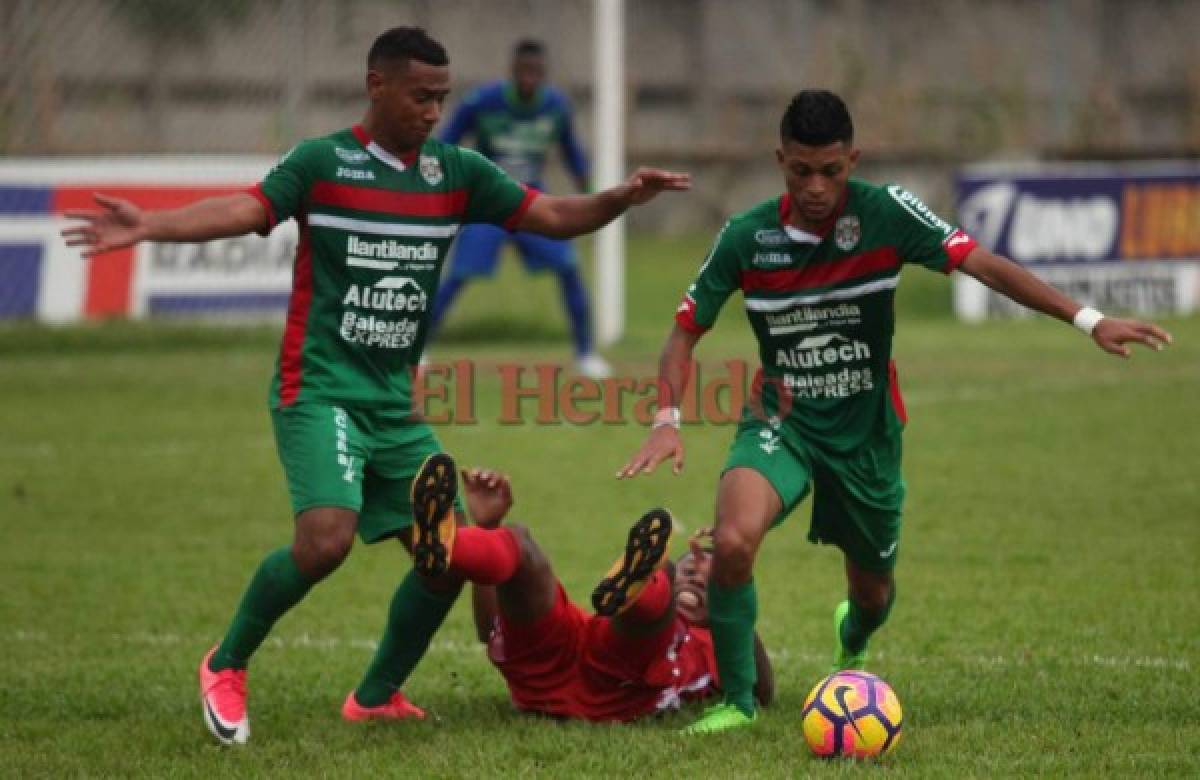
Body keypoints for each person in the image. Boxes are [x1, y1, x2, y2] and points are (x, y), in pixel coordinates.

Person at [61, 27, 689, 746]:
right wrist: (150, 226)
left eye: (442, 99)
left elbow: (551, 215)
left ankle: (376, 695)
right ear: (377, 85)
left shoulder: (456, 172)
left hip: (395, 404)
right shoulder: (322, 164)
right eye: (421, 96)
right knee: (325, 540)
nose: (432, 111)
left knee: (449, 549)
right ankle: (225, 664)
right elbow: (245, 209)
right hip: (319, 390)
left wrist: (618, 198)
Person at [617, 89, 1173, 735]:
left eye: (832, 170)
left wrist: (1089, 319)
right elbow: (686, 330)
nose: (818, 186)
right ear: (780, 161)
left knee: (873, 595)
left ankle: (852, 643)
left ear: (853, 159)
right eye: (801, 171)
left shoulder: (886, 214)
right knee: (735, 541)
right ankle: (737, 702)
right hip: (783, 420)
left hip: (867, 437)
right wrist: (666, 418)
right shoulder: (747, 237)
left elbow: (983, 264)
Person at [407, 452, 773, 721]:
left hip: (621, 677)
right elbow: (490, 632)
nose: (698, 575)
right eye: (693, 568)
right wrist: (488, 526)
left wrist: (734, 588)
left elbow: (764, 691)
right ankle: (453, 546)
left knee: (651, 619)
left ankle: (645, 582)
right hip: (568, 653)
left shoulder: (718, 648)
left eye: (711, 581)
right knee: (520, 544)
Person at [431, 39, 611, 379]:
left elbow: (573, 154)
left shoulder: (556, 106)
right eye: (523, 72)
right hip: (487, 202)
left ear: (544, 75)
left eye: (536, 73)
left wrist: (592, 196)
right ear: (512, 71)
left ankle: (586, 353)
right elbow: (445, 144)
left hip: (533, 203)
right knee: (458, 275)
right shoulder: (484, 101)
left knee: (569, 269)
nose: (529, 79)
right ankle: (419, 349)